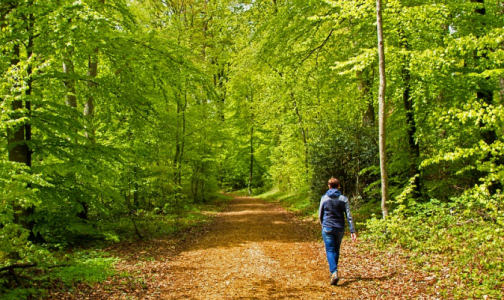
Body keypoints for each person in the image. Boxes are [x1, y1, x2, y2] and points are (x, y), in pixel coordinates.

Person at [318, 177, 357, 286]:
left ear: (329, 186)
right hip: (339, 228)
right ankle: (334, 271)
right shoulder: (343, 199)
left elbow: (320, 214)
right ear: (338, 186)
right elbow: (349, 216)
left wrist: (323, 224)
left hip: (327, 227)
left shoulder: (324, 198)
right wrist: (352, 231)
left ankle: (334, 272)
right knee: (336, 249)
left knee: (330, 249)